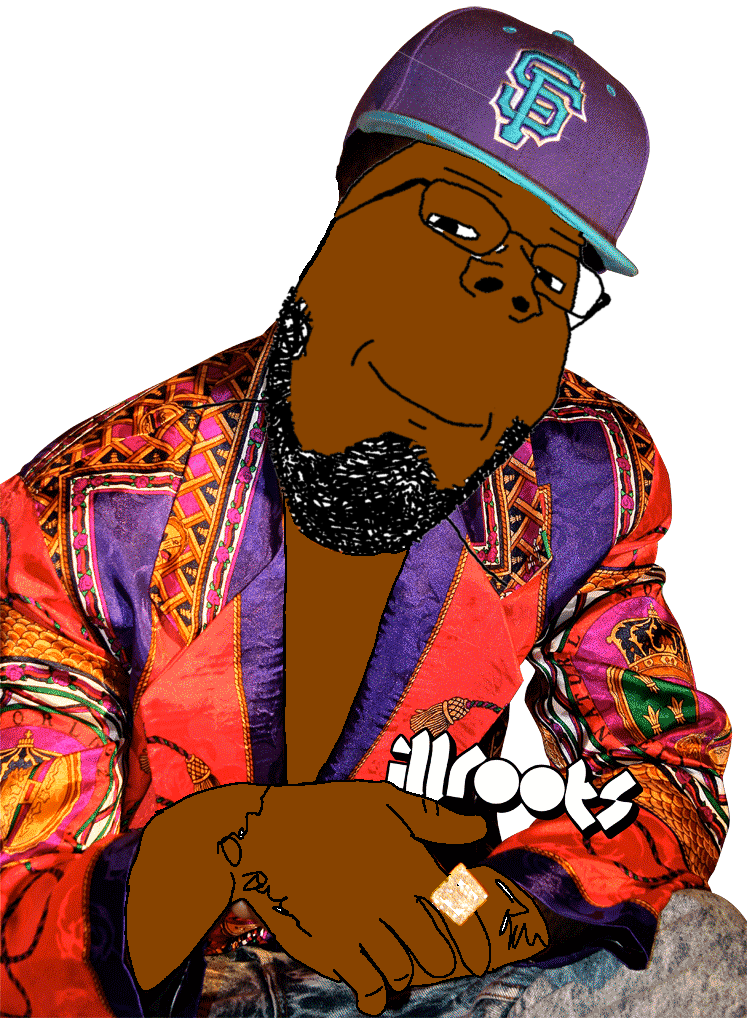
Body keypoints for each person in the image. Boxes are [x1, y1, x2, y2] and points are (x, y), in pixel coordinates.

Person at [1, 8, 744, 1017]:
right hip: (179, 985)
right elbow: (19, 926)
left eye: (546, 281)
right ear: (340, 219)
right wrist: (236, 846)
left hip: (424, 965)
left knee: (702, 950)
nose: (496, 302)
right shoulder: (86, 516)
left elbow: (666, 770)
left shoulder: (587, 476)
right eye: (453, 225)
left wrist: (485, 910)